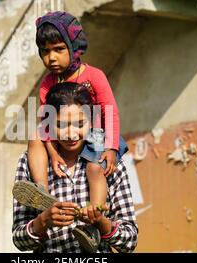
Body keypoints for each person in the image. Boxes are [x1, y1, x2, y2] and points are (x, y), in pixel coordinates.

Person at [13, 82, 138, 253]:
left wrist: (100, 222)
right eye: (61, 125)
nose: (71, 134)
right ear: (48, 124)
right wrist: (42, 222)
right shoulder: (29, 163)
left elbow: (130, 241)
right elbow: (19, 241)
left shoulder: (109, 162)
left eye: (80, 125)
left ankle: (90, 233)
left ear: (92, 121)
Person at [27, 11, 129, 211]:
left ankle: (95, 214)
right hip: (63, 135)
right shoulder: (47, 84)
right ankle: (43, 194)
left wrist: (111, 148)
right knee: (35, 136)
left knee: (94, 168)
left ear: (74, 47)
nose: (52, 58)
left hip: (96, 136)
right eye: (45, 51)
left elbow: (110, 112)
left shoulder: (94, 76)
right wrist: (53, 153)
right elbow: (46, 125)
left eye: (58, 49)